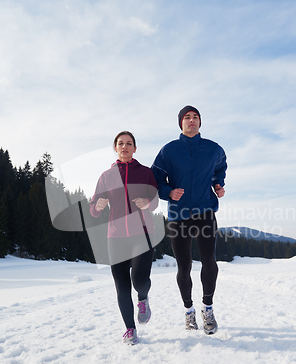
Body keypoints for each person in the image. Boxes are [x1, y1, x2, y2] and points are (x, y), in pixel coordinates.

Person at [151, 106, 227, 334]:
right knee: (184, 267)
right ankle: (189, 311)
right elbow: (155, 179)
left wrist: (217, 184)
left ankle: (208, 308)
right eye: (187, 117)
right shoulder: (169, 150)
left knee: (209, 262)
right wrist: (168, 192)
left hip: (205, 212)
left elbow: (220, 168)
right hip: (178, 215)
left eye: (195, 117)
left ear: (200, 122)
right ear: (180, 123)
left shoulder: (213, 149)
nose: (191, 120)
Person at [90, 131, 159, 345]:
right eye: (120, 143)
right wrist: (98, 207)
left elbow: (155, 200)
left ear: (135, 148)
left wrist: (147, 203)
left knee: (139, 279)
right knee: (121, 284)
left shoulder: (146, 173)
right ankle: (130, 329)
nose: (124, 146)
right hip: (116, 237)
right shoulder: (106, 176)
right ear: (115, 148)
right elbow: (93, 209)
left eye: (129, 143)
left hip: (142, 234)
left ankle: (143, 298)